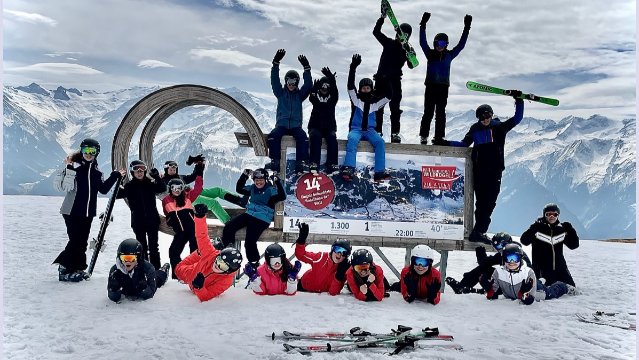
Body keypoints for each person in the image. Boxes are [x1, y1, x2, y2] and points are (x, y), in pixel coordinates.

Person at [446, 94, 524, 243]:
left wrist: (518, 101)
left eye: (488, 115)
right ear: (478, 118)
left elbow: (518, 118)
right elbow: (464, 144)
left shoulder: (499, 127)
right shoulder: (475, 129)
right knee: (482, 203)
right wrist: (446, 143)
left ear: (492, 115)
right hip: (480, 172)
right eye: (482, 117)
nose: (486, 119)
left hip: (494, 172)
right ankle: (479, 232)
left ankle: (479, 231)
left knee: (489, 203)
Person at [53, 138, 125, 282]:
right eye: (86, 150)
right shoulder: (74, 167)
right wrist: (69, 169)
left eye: (92, 151)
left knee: (83, 242)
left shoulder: (97, 173)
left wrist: (115, 175)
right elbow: (65, 187)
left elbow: (103, 190)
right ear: (82, 151)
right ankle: (64, 268)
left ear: (97, 153)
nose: (89, 154)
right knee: (75, 241)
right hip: (71, 211)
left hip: (87, 213)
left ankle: (77, 268)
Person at [418, 12, 471, 145]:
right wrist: (423, 25)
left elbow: (461, 45)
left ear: (446, 44)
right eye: (437, 43)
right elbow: (422, 42)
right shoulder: (429, 54)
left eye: (442, 43)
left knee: (440, 113)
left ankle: (439, 137)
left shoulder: (449, 55)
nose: (439, 46)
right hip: (430, 86)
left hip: (443, 87)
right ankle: (424, 136)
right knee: (428, 112)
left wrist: (466, 28)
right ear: (434, 43)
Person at [221, 168, 286, 272]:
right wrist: (244, 175)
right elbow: (239, 189)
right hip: (249, 214)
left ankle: (255, 265)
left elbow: (282, 196)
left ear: (265, 179)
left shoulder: (270, 189)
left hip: (262, 218)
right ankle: (228, 252)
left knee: (249, 242)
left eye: (261, 180)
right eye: (256, 180)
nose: (258, 182)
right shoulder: (252, 188)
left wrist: (277, 181)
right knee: (229, 227)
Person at [175, 204, 243, 301]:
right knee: (178, 269)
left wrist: (199, 288)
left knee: (202, 253)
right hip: (188, 271)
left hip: (194, 282)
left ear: (228, 271)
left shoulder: (226, 281)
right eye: (219, 260)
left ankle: (202, 252)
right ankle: (202, 252)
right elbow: (202, 236)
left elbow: (206, 296)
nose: (217, 265)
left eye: (222, 266)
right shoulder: (212, 255)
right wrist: (199, 217)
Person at [341, 54, 393, 182]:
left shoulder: (376, 103)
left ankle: (379, 172)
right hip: (356, 129)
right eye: (363, 88)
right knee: (352, 140)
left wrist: (385, 80)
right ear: (360, 89)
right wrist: (353, 68)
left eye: (368, 88)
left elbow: (389, 96)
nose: (365, 90)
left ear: (371, 89)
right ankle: (349, 168)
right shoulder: (356, 100)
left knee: (380, 142)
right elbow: (349, 86)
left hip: (370, 131)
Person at [264, 49, 313, 174]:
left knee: (303, 138)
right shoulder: (280, 93)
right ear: (286, 82)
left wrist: (307, 69)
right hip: (282, 124)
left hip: (296, 125)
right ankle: (275, 161)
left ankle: (300, 163)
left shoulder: (300, 95)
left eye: (294, 82)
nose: (291, 84)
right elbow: (274, 80)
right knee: (274, 136)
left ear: (297, 82)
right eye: (289, 82)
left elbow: (308, 85)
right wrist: (276, 63)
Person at [479, 242, 571, 305]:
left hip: (537, 291)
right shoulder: (498, 272)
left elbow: (529, 300)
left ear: (520, 259)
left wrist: (524, 294)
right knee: (539, 283)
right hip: (516, 293)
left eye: (515, 258)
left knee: (551, 293)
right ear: (504, 260)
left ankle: (565, 287)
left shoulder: (528, 273)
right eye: (508, 258)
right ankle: (540, 281)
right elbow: (492, 295)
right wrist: (488, 289)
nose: (512, 262)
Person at [116, 160, 166, 270]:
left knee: (154, 247)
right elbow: (116, 194)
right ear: (132, 172)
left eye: (142, 170)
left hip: (152, 220)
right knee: (142, 247)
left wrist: (157, 177)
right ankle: (144, 269)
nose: (139, 172)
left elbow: (162, 188)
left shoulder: (150, 184)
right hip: (138, 222)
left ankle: (156, 269)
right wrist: (119, 180)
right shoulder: (129, 186)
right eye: (136, 170)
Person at [372, 7, 412, 143]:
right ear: (397, 34)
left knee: (395, 108)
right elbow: (376, 32)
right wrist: (382, 18)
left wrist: (410, 54)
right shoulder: (388, 42)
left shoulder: (407, 50)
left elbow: (412, 65)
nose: (402, 37)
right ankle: (377, 131)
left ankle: (395, 133)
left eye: (406, 35)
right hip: (381, 79)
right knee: (379, 107)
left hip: (395, 81)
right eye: (401, 34)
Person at [445, 232, 531, 294]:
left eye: (502, 245)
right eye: (497, 246)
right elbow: (487, 262)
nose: (500, 248)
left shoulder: (512, 253)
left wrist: (480, 251)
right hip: (511, 283)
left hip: (516, 285)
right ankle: (465, 287)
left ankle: (461, 286)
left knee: (484, 268)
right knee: (486, 269)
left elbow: (485, 263)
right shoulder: (514, 251)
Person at [520, 203, 579, 287]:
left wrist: (571, 230)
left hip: (560, 269)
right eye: (548, 214)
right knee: (545, 291)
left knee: (572, 289)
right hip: (542, 270)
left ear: (558, 215)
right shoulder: (538, 229)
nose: (552, 216)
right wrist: (533, 228)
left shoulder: (561, 229)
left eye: (554, 214)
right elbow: (524, 241)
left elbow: (574, 245)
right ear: (544, 215)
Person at [162, 174, 203, 279]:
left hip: (192, 230)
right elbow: (167, 213)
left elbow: (198, 189)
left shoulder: (187, 197)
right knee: (173, 251)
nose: (177, 190)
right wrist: (170, 220)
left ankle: (195, 274)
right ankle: (178, 275)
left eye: (179, 188)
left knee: (194, 253)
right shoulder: (166, 200)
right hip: (180, 232)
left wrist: (199, 174)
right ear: (170, 189)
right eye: (174, 188)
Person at [294, 223, 352, 294]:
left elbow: (333, 292)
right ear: (332, 249)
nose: (339, 254)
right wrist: (301, 240)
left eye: (344, 253)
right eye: (337, 249)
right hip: (303, 286)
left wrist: (339, 277)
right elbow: (300, 255)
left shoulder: (343, 269)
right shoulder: (320, 257)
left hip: (321, 297)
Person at [307, 67, 339, 175]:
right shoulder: (315, 97)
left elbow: (335, 90)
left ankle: (332, 164)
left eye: (327, 87)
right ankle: (314, 163)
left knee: (332, 138)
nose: (324, 89)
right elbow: (311, 98)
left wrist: (331, 77)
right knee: (315, 137)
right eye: (322, 87)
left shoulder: (332, 98)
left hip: (329, 126)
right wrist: (314, 89)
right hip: (315, 125)